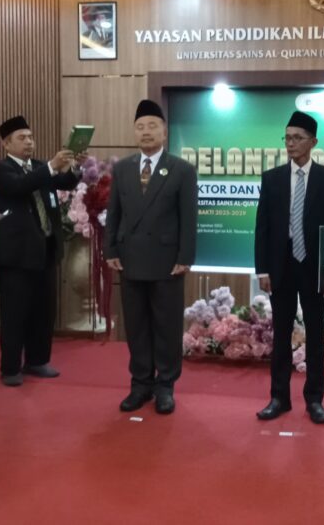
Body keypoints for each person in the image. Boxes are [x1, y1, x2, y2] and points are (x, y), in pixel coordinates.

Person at [105, 100, 197, 415]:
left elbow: (189, 218)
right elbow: (114, 213)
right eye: (140, 127)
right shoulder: (123, 168)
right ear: (134, 132)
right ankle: (140, 384)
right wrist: (110, 250)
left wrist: (186, 256)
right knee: (137, 326)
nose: (146, 132)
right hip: (130, 259)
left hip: (167, 262)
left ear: (164, 132)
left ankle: (165, 386)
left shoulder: (182, 169)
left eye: (152, 126)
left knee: (167, 327)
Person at [254, 111, 324, 425]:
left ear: (313, 142)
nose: (291, 143)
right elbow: (262, 227)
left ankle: (314, 400)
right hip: (280, 266)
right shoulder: (272, 178)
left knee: (315, 334)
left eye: (297, 138)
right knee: (280, 334)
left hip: (314, 267)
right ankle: (279, 398)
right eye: (287, 137)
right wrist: (262, 270)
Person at [0, 116, 80, 387]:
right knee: (15, 313)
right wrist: (52, 166)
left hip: (45, 251)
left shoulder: (40, 167)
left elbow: (66, 183)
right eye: (22, 138)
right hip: (15, 256)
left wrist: (73, 167)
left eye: (30, 137)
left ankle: (37, 360)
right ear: (7, 144)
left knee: (43, 311)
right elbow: (20, 186)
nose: (29, 142)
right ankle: (10, 367)